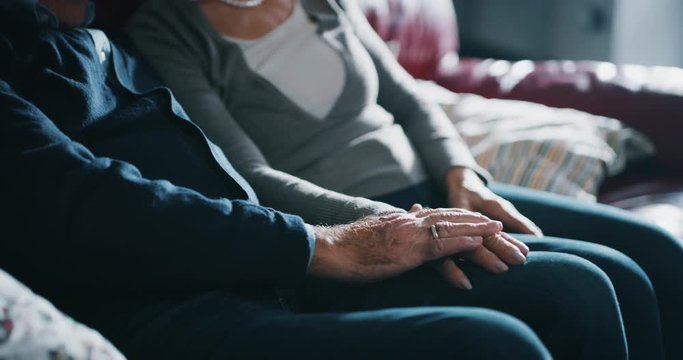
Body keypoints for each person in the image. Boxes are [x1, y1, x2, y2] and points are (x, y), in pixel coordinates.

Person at [0, 0, 660, 359]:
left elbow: (410, 98)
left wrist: (463, 176)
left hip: (340, 227)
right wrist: (357, 235)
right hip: (318, 228)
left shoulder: (92, 41)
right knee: (563, 296)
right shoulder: (161, 30)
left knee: (633, 263)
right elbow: (241, 174)